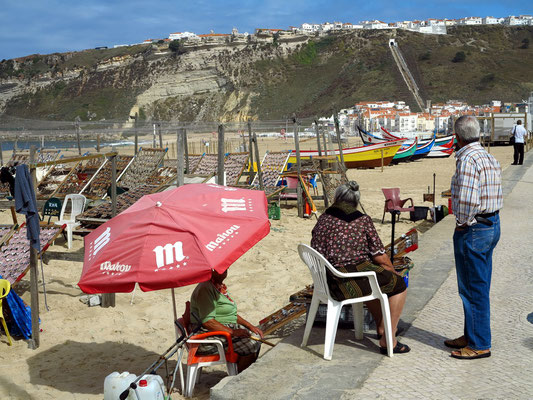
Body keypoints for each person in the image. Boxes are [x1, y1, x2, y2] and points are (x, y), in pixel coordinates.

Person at [310, 181, 410, 355]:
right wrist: (391, 270)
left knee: (371, 281)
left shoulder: (323, 219)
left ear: (337, 199)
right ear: (356, 200)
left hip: (327, 280)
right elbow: (379, 255)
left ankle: (381, 327)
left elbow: (315, 247)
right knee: (398, 285)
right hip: (344, 283)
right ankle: (389, 338)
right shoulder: (362, 220)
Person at [446, 115, 502, 360]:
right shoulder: (488, 156)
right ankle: (472, 334)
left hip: (475, 229)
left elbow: (468, 201)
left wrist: (461, 223)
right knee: (479, 284)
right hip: (492, 224)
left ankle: (479, 343)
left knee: (472, 288)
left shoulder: (467, 159)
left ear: (457, 137)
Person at [190, 269, 264, 372]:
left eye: (225, 268)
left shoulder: (218, 286)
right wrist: (233, 332)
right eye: (220, 268)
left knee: (256, 334)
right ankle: (239, 377)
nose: (224, 270)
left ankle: (241, 370)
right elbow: (208, 322)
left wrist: (250, 326)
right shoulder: (205, 289)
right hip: (206, 339)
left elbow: (231, 314)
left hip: (221, 330)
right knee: (251, 343)